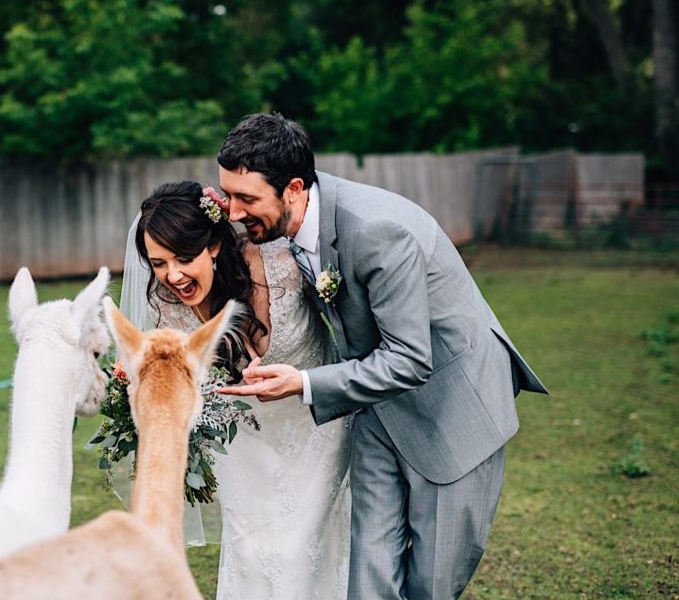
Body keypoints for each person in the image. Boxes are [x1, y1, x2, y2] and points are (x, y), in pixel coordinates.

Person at [216, 113, 549, 599]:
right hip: (374, 408)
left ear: (292, 189)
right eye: (228, 195)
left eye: (246, 199)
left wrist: (305, 383)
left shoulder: (376, 230)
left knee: (430, 585)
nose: (233, 211)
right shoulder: (292, 219)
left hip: (454, 410)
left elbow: (411, 360)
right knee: (368, 576)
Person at [123, 180, 351, 599]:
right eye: (158, 263)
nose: (172, 275)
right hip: (244, 444)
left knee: (296, 554)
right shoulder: (167, 309)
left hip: (316, 430)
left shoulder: (283, 262)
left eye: (184, 258)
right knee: (249, 553)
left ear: (212, 245)